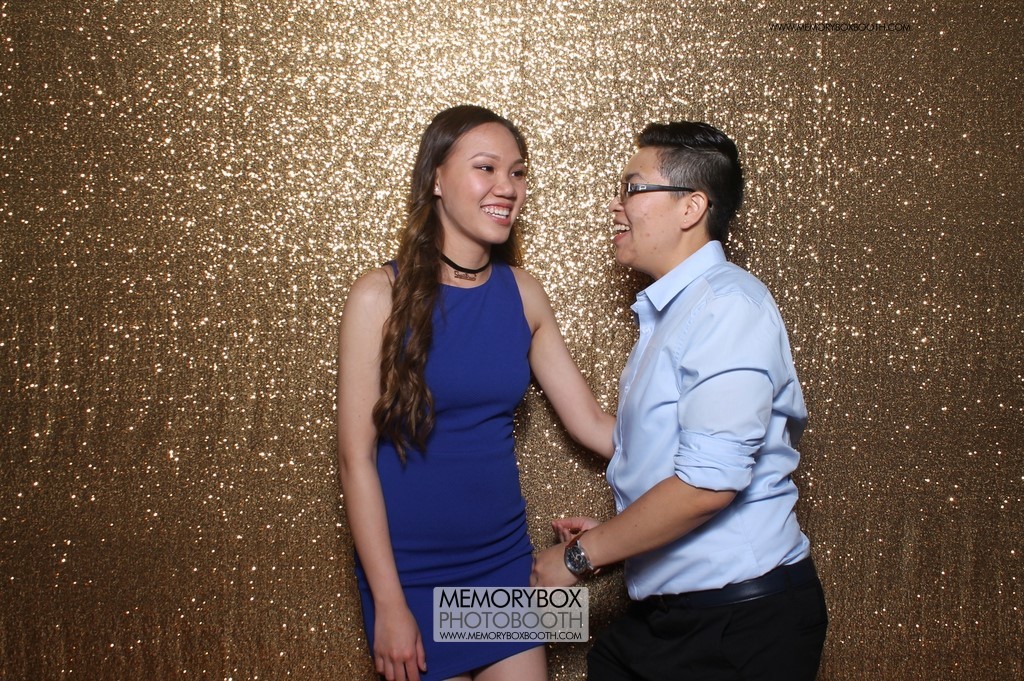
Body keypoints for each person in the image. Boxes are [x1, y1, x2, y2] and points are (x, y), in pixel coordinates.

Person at [531, 121, 828, 680]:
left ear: (691, 207)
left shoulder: (727, 307)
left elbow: (706, 486)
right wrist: (528, 317)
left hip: (739, 624)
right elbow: (633, 442)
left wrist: (581, 556)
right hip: (669, 616)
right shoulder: (674, 312)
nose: (616, 206)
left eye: (631, 188)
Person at [337, 105, 615, 681]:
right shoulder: (376, 295)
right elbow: (354, 459)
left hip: (503, 562)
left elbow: (592, 424)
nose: (506, 187)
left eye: (517, 172)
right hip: (408, 576)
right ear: (436, 178)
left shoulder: (524, 293)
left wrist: (700, 458)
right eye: (486, 168)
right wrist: (388, 603)